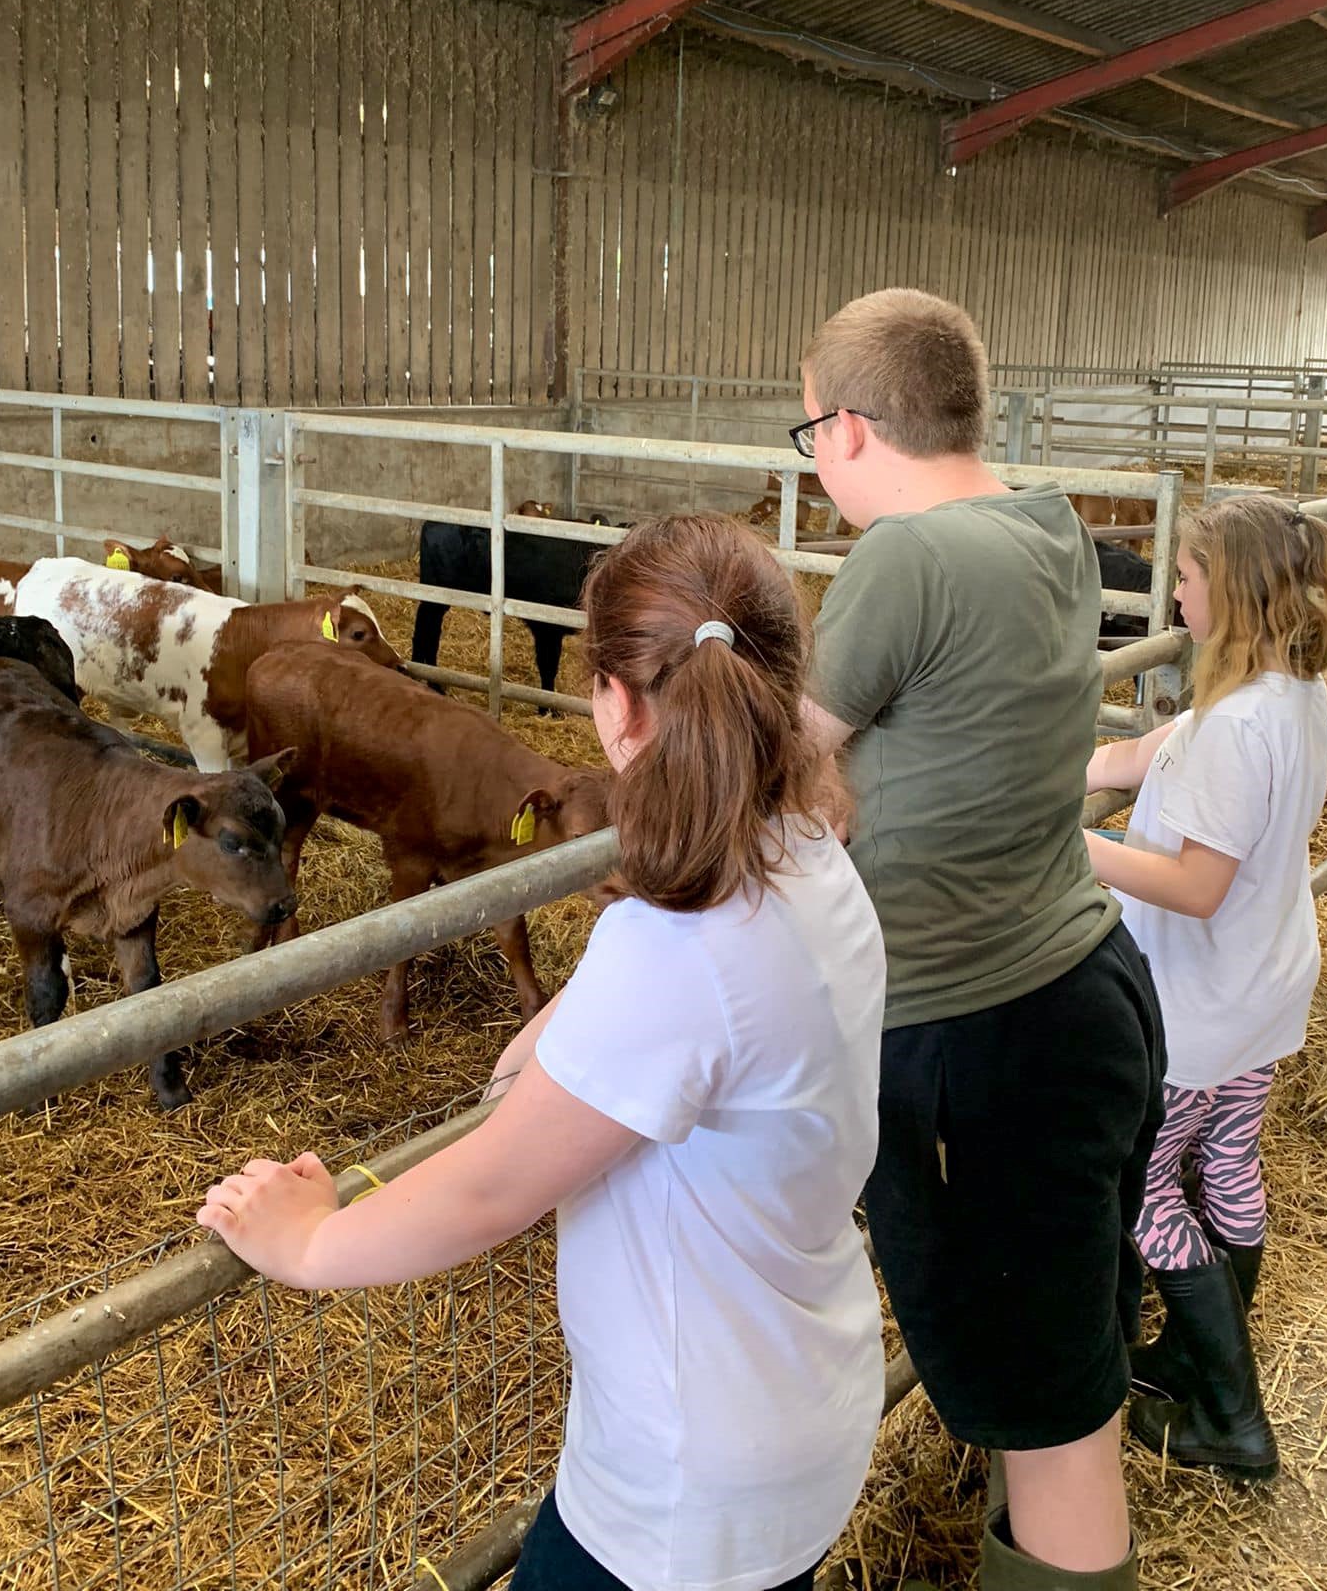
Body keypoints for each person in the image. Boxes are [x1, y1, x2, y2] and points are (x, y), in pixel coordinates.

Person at [198, 513, 888, 1591]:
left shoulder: (679, 948)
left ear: (612, 704)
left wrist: (312, 1244)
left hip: (684, 1482)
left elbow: (488, 1187)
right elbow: (649, 1031)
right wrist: (570, 1011)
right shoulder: (805, 850)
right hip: (792, 1392)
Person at [796, 288, 1164, 1591]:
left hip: (979, 1038)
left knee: (1059, 1435)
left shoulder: (906, 559)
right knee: (1057, 1375)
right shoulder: (1045, 525)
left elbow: (788, 760)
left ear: (845, 429)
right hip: (1086, 987)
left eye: (808, 438)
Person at [1085, 495, 1327, 1483]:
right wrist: (1031, 775)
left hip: (1197, 1001)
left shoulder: (1227, 729)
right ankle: (1201, 1357)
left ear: (1232, 593)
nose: (1173, 589)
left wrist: (1071, 845)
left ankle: (1235, 1420)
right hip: (1264, 982)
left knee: (1147, 1187)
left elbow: (1196, 885)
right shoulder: (1290, 693)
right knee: (1230, 1165)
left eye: (1188, 575)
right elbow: (1127, 757)